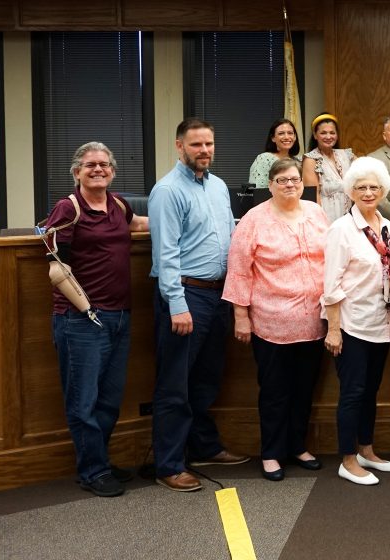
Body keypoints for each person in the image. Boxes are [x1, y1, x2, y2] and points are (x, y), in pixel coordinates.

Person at [149, 118, 249, 493]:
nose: (204, 150)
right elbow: (166, 254)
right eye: (196, 145)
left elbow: (231, 237)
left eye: (209, 143)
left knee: (207, 378)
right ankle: (170, 465)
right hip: (185, 296)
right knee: (175, 384)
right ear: (179, 147)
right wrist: (176, 304)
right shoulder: (167, 190)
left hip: (217, 295)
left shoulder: (219, 186)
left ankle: (204, 447)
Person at [45, 142, 149, 497]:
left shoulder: (118, 205)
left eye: (104, 164)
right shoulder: (68, 207)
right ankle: (92, 470)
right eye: (90, 165)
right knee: (83, 401)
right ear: (77, 172)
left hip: (120, 317)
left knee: (108, 400)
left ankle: (97, 460)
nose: (98, 169)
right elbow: (55, 262)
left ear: (113, 171)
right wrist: (82, 307)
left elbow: (140, 225)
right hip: (81, 321)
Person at [222, 159, 327, 482]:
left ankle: (297, 446)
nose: (290, 185)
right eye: (282, 180)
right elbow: (239, 269)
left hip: (313, 321)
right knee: (274, 391)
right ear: (270, 185)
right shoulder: (255, 219)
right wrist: (241, 315)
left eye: (294, 179)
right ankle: (271, 452)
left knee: (304, 388)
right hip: (271, 322)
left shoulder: (316, 212)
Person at [323, 156, 390, 485]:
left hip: (380, 324)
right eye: (361, 187)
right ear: (350, 192)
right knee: (353, 392)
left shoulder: (386, 226)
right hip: (351, 325)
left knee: (371, 392)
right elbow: (331, 283)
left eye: (374, 187)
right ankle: (347, 458)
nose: (368, 192)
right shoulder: (342, 228)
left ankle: (367, 451)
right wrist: (334, 329)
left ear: (383, 190)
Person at [302, 113, 356, 224]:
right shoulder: (311, 159)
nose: (328, 137)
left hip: (349, 219)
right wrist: (321, 223)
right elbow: (312, 197)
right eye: (323, 133)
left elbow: (367, 169)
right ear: (315, 135)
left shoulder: (346, 155)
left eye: (332, 133)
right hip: (325, 219)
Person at [248, 118, 301, 189]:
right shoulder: (264, 159)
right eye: (281, 133)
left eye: (290, 133)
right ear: (273, 138)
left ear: (295, 137)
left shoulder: (299, 161)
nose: (286, 137)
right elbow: (258, 191)